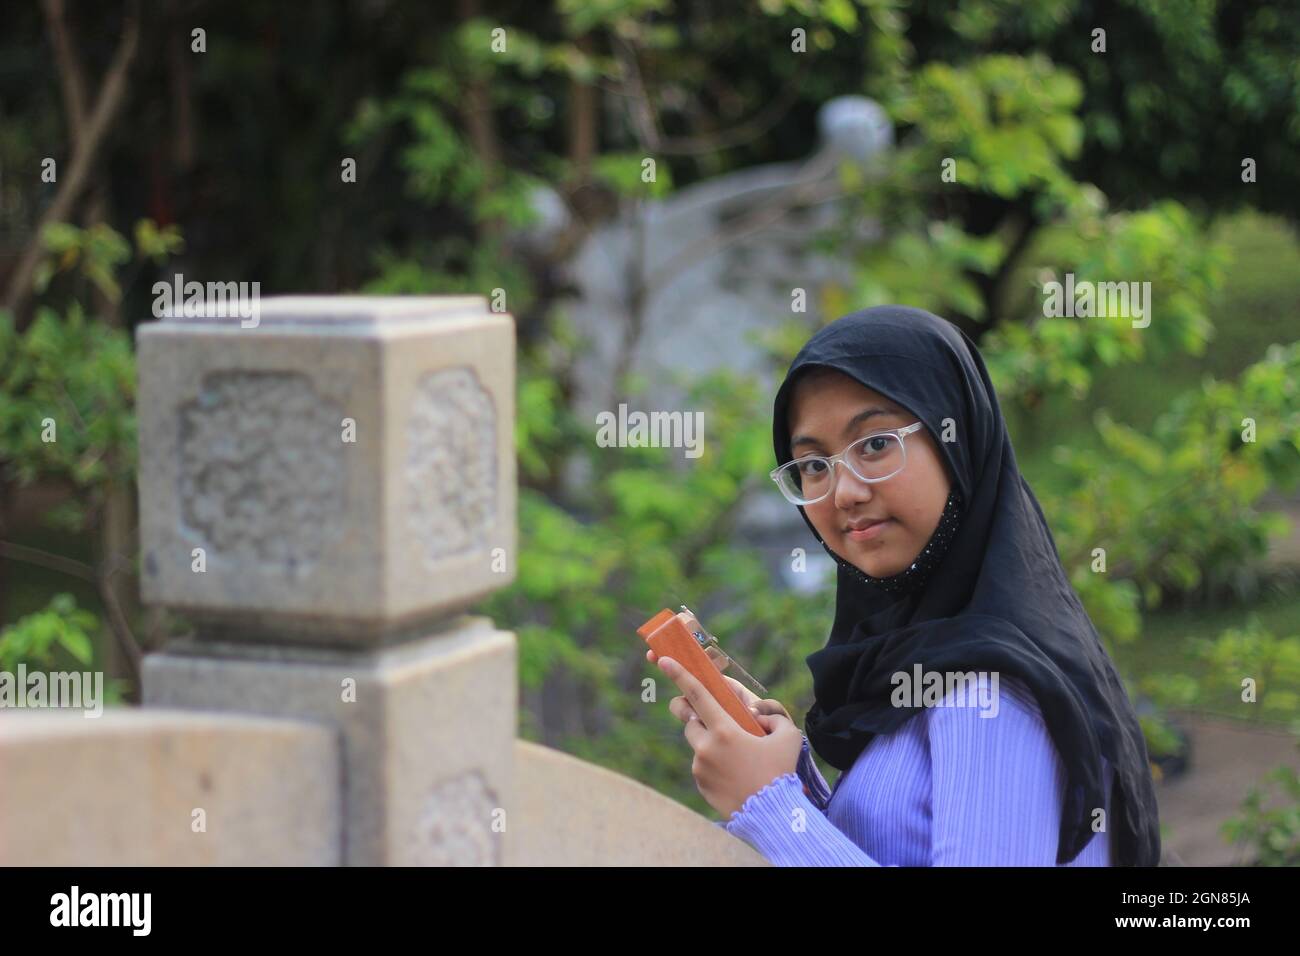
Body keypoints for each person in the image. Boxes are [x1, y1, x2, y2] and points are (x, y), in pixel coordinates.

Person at [650, 304, 1162, 866]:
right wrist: (791, 784)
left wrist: (770, 806)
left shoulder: (991, 692)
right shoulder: (929, 660)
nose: (843, 492)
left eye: (874, 444)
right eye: (814, 464)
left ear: (957, 441)